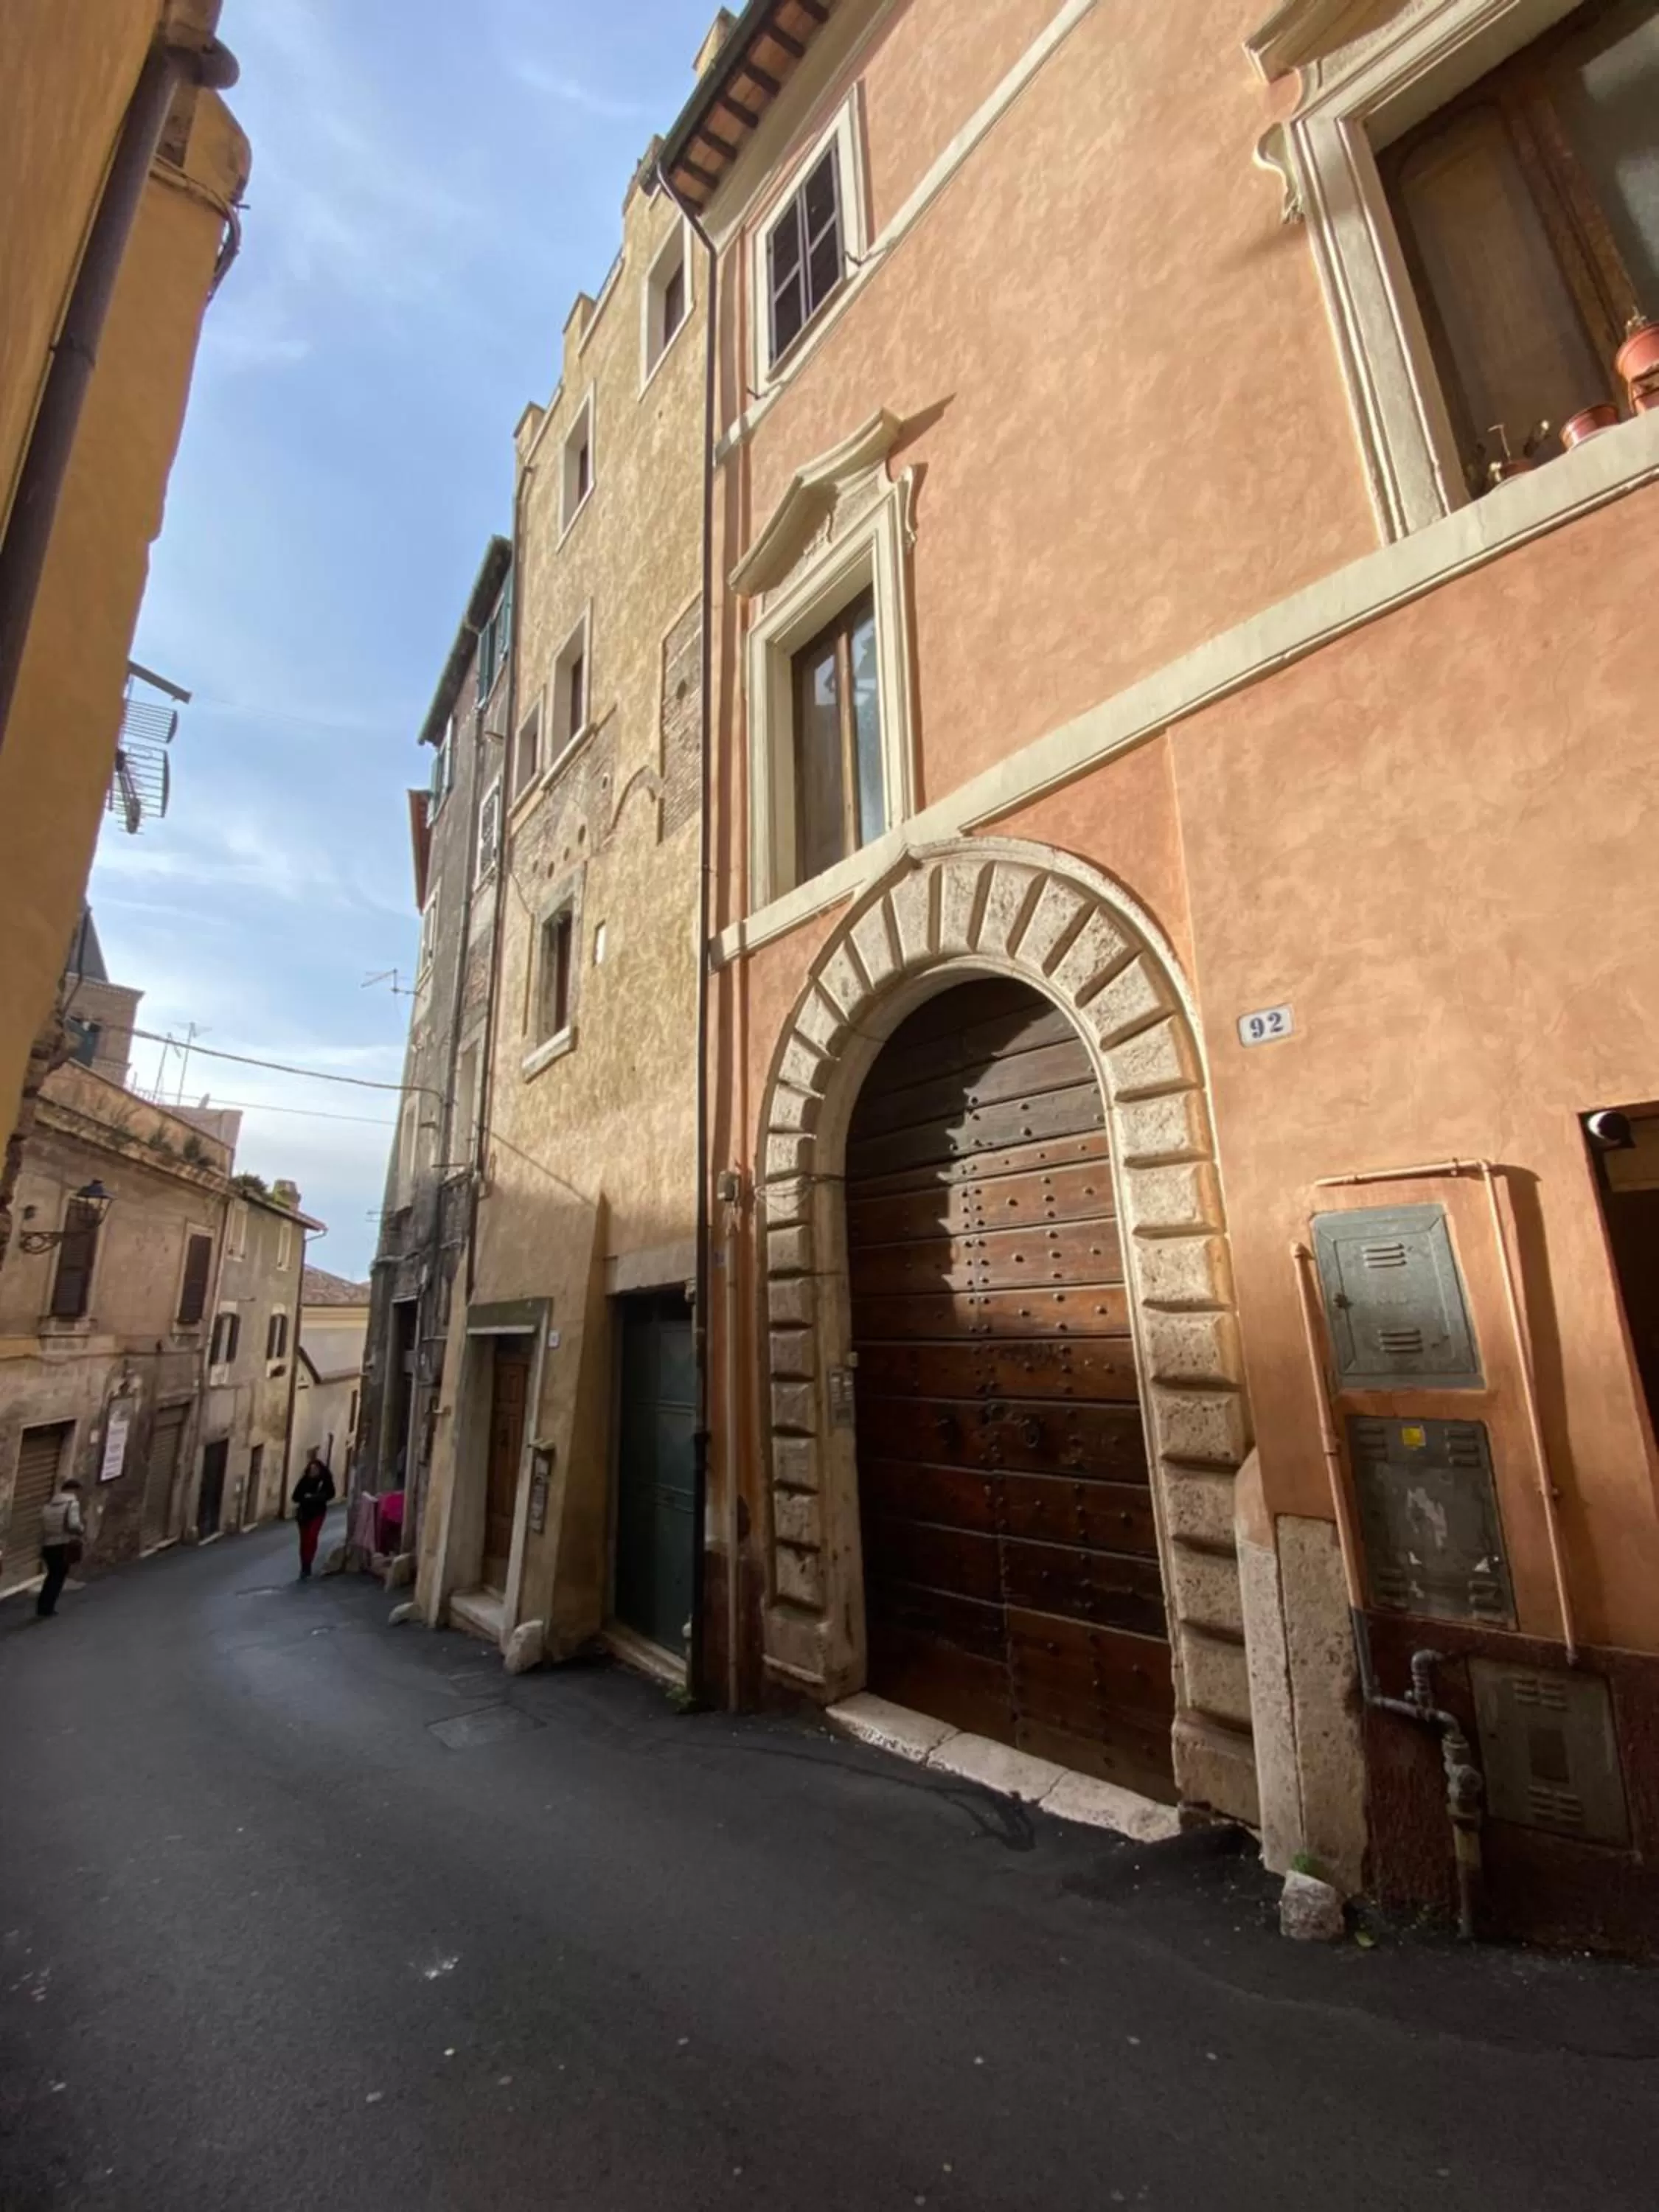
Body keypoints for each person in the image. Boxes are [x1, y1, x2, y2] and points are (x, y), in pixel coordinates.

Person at [37, 1474, 86, 1619]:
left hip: (48, 1545)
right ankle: (48, 1608)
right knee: (58, 1577)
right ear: (73, 1490)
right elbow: (73, 1524)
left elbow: (43, 1526)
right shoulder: (72, 1504)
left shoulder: (48, 1506)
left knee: (51, 1576)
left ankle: (43, 1606)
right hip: (63, 1545)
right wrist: (81, 1529)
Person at [290, 1453, 336, 1579]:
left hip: (318, 1512)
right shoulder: (304, 1481)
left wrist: (315, 1497)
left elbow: (331, 1494)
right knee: (304, 1540)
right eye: (311, 1469)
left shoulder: (325, 1481)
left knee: (312, 1537)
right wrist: (305, 1497)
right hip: (304, 1514)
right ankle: (304, 1565)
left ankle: (308, 1562)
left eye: (315, 1469)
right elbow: (295, 1497)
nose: (313, 1471)